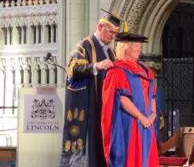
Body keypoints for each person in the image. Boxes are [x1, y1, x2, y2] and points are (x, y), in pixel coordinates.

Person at [59, 10, 126, 167]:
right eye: (110, 32)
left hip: (106, 108)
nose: (112, 37)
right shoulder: (85, 45)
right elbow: (72, 70)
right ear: (100, 26)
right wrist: (96, 66)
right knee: (89, 149)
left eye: (115, 34)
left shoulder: (111, 52)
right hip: (90, 107)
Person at [101, 32, 159, 167]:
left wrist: (153, 114)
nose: (140, 49)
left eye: (140, 46)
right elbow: (122, 98)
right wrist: (141, 117)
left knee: (147, 156)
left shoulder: (146, 71)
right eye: (136, 46)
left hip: (147, 123)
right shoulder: (117, 71)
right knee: (132, 157)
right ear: (126, 48)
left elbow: (153, 95)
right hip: (130, 122)